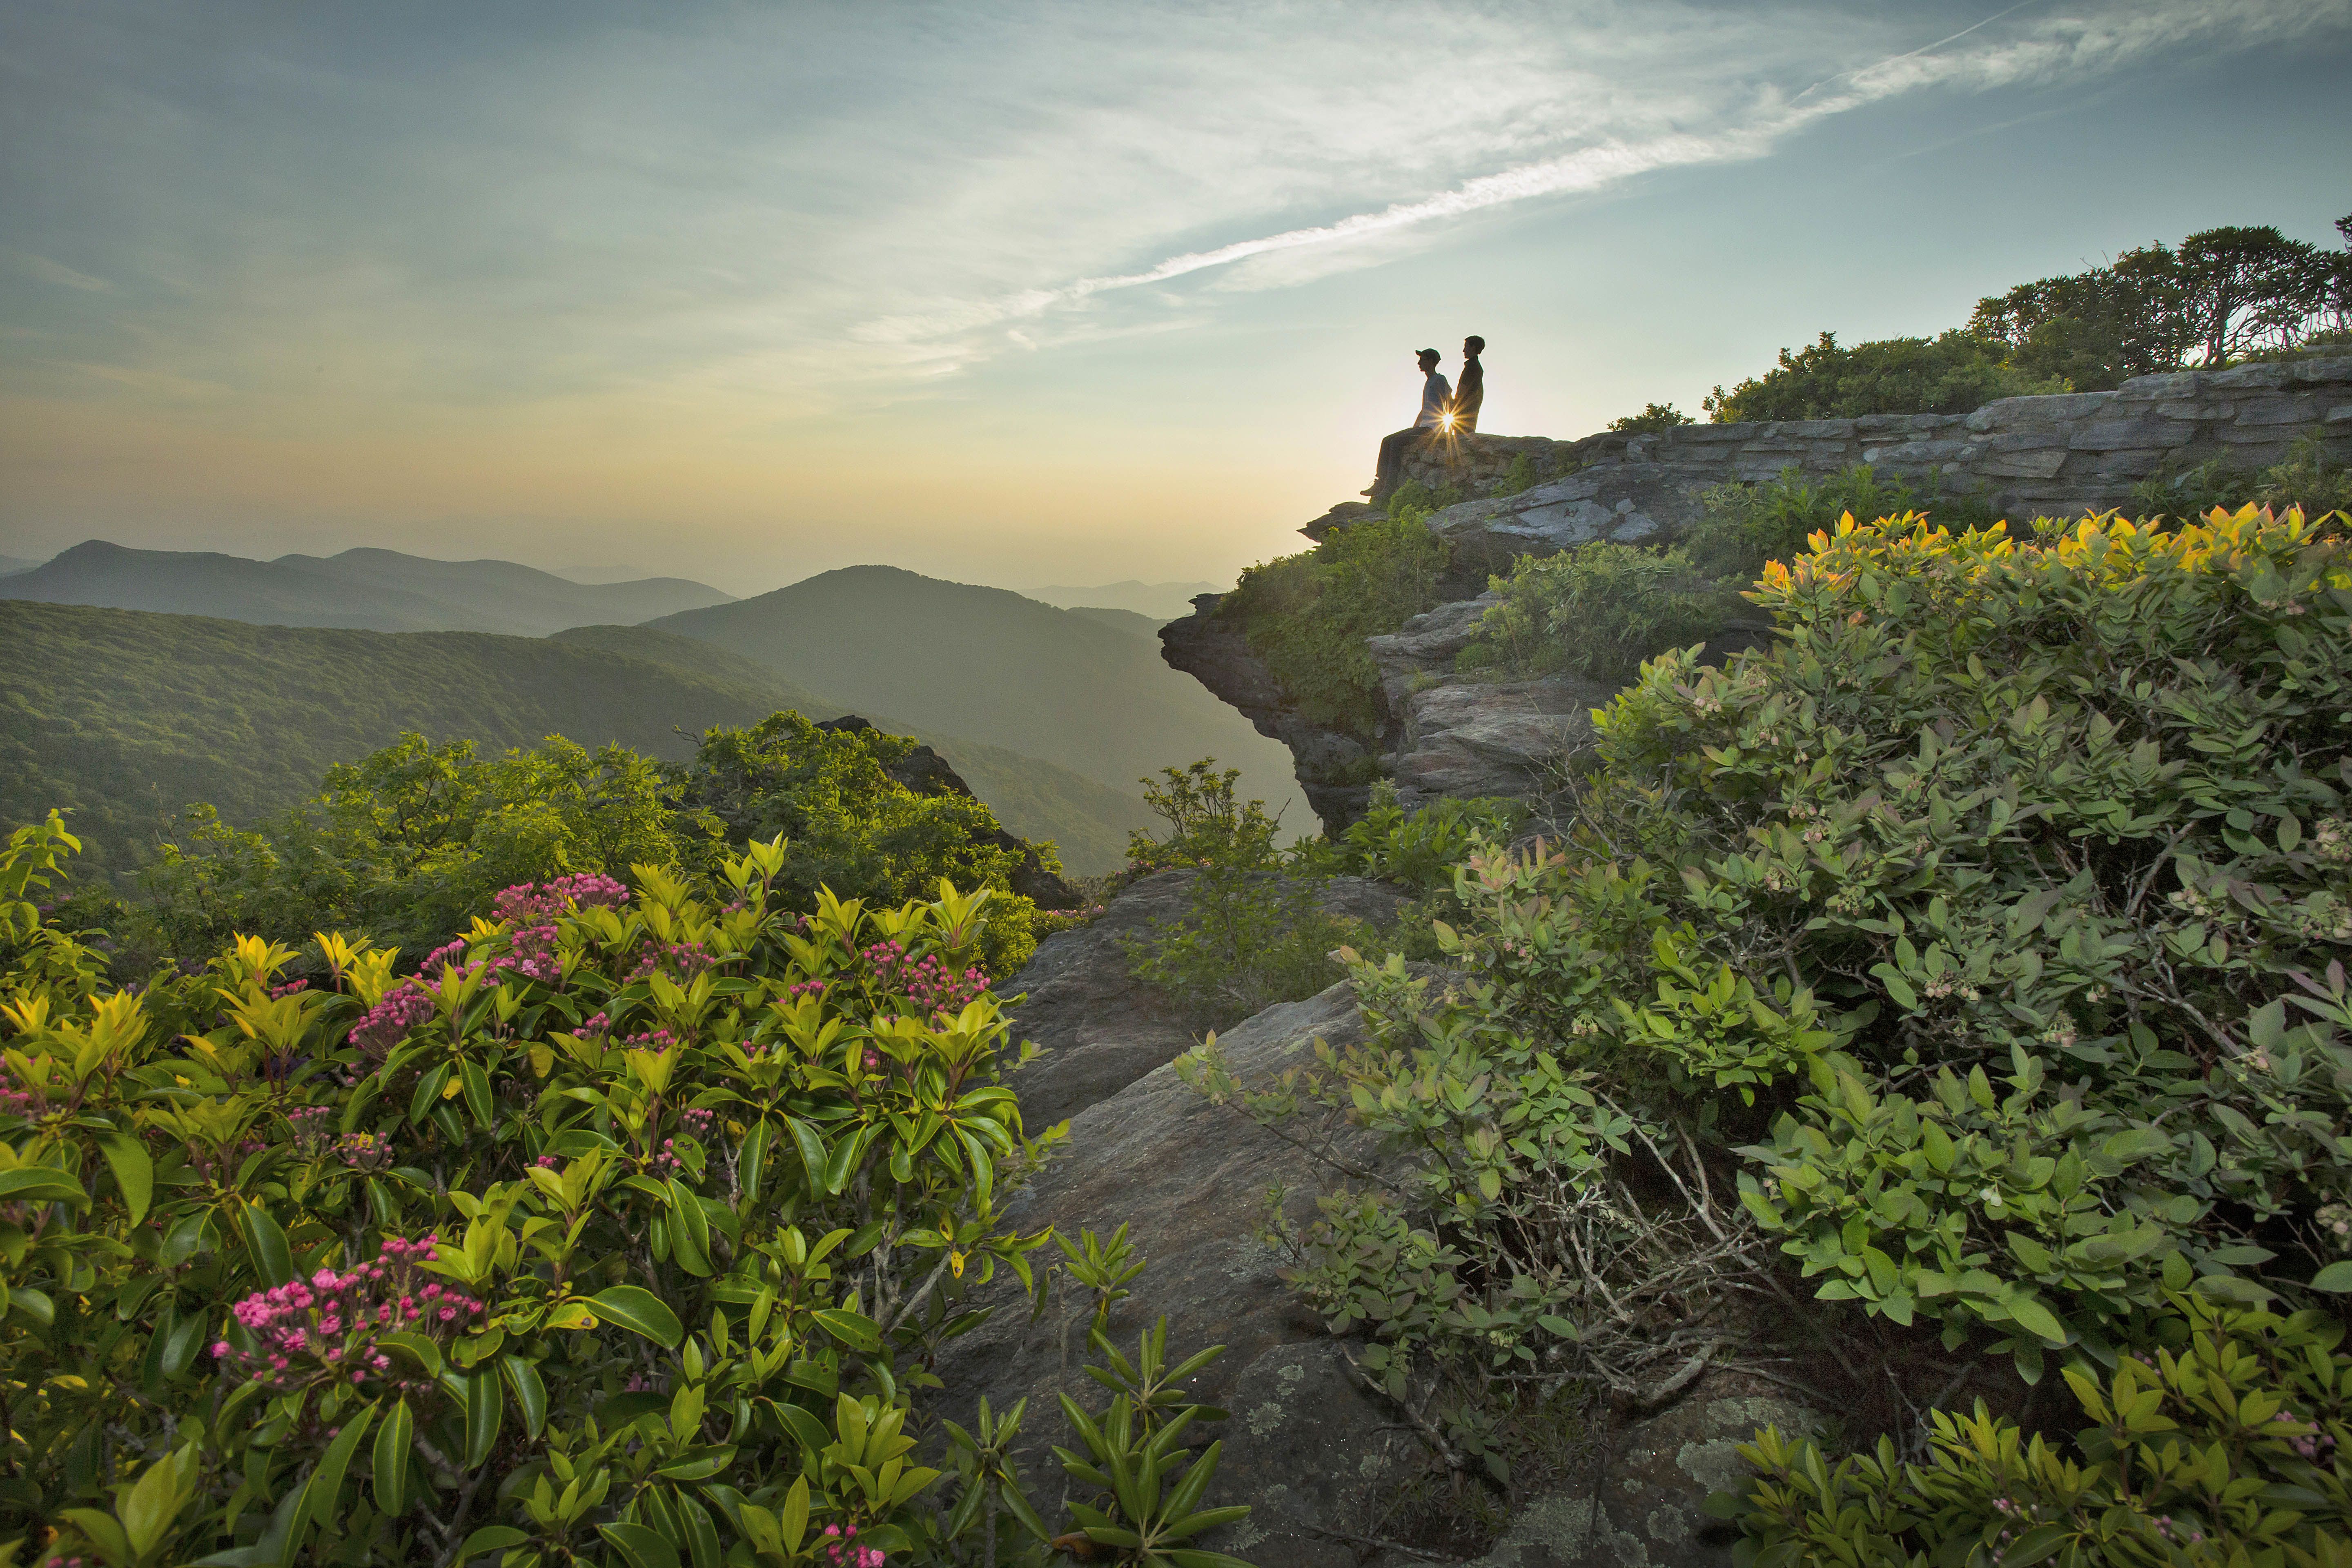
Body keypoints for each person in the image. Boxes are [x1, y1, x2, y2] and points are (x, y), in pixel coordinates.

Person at [1372, 348, 1452, 501]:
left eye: (1422, 359)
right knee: (1387, 440)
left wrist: (1445, 429)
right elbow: (1425, 409)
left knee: (1396, 443)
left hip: (1432, 429)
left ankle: (1388, 488)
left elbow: (1449, 402)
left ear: (1431, 362)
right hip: (1424, 427)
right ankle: (1380, 482)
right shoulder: (1429, 382)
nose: (1419, 363)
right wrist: (1414, 427)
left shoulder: (1439, 379)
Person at [1452, 335, 1484, 434]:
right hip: (1469, 414)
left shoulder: (1472, 367)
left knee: (1460, 441)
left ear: (1473, 348)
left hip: (1464, 414)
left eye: (1466, 347)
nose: (1464, 350)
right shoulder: (1476, 367)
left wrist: (1454, 405)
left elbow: (1463, 389)